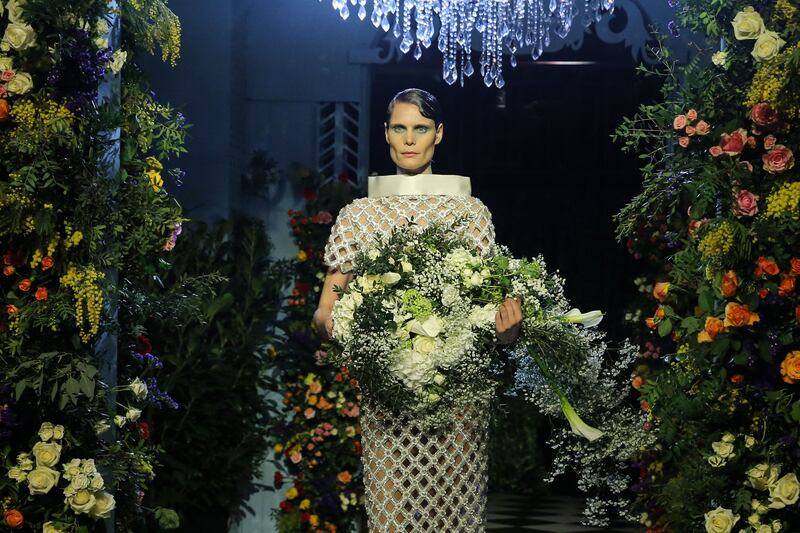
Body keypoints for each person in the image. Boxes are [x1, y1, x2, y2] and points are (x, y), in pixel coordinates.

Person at [313, 88, 522, 532]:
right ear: (386, 134)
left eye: (421, 128)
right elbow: (324, 312)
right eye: (400, 128)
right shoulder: (359, 215)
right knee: (391, 517)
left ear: (438, 134)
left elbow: (492, 313)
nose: (410, 140)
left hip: (458, 391)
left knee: (455, 514)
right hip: (388, 392)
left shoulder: (469, 212)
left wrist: (507, 330)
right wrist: (358, 330)